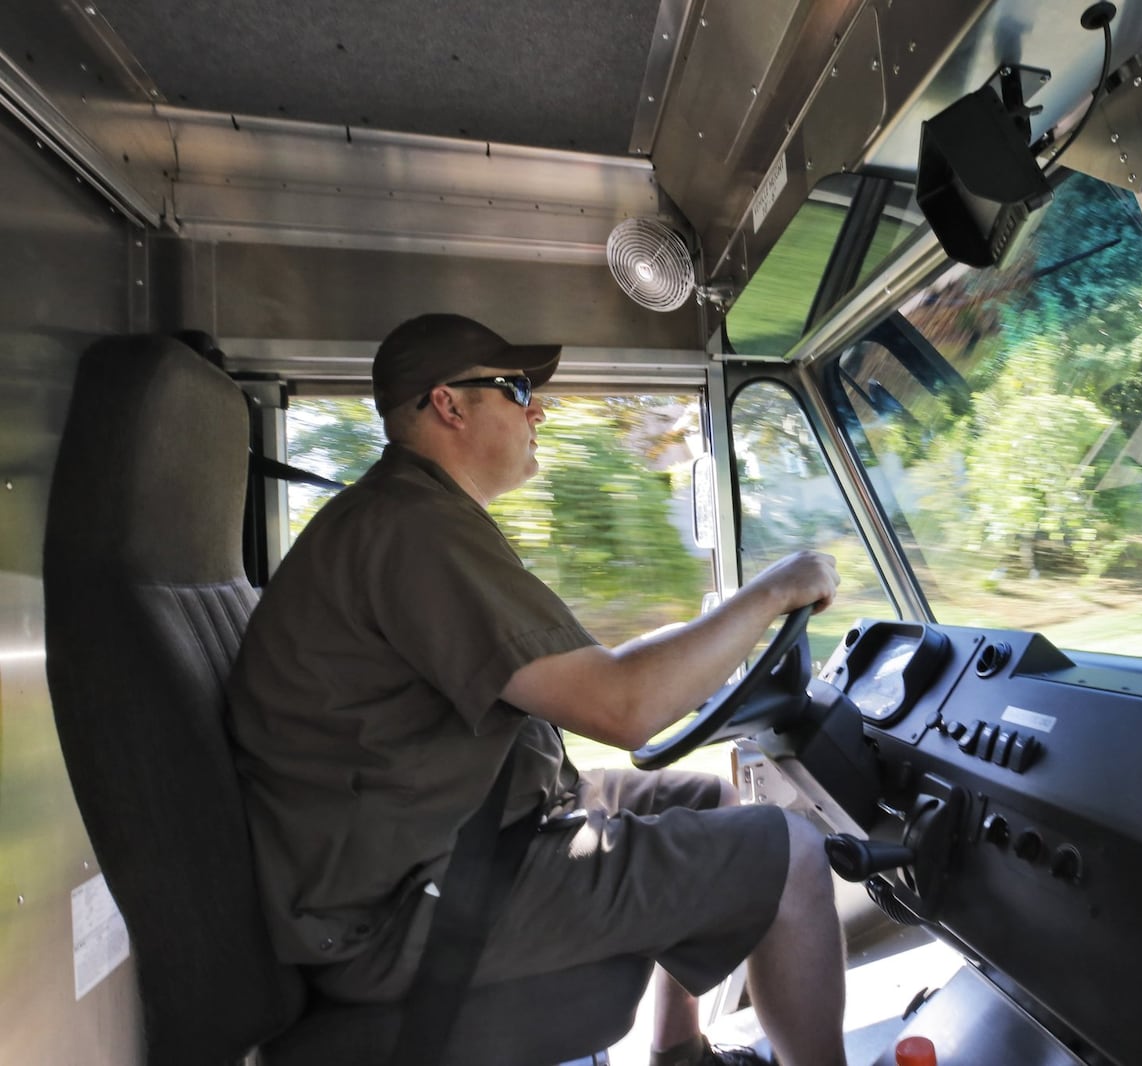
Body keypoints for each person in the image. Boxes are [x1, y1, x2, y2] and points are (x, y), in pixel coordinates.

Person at [227, 313, 848, 1066]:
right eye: (518, 389)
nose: (538, 410)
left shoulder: (410, 516)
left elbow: (598, 670)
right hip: (397, 907)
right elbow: (623, 706)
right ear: (449, 404)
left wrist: (716, 632)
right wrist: (775, 591)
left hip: (436, 837)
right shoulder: (412, 530)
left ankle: (679, 1051)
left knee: (706, 798)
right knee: (793, 851)